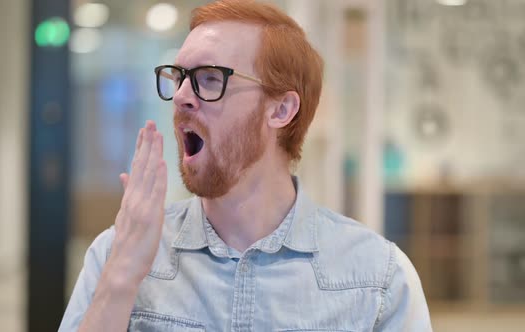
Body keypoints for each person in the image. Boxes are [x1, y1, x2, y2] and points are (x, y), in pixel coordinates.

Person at [59, 0, 432, 331]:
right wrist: (121, 279)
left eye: (209, 79)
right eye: (178, 78)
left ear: (281, 110)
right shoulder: (116, 253)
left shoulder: (378, 279)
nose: (182, 97)